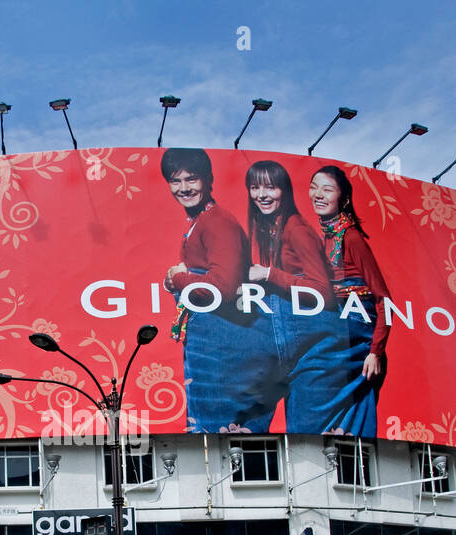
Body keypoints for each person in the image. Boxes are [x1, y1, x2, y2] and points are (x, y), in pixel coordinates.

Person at [240, 160, 351, 433]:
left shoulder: (296, 230)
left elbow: (322, 293)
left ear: (284, 190)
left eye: (270, 187)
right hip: (294, 333)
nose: (262, 195)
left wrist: (268, 275)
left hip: (316, 334)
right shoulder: (271, 228)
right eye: (255, 187)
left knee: (306, 435)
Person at [158, 148, 253, 433]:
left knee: (212, 432)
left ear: (208, 179)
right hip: (209, 341)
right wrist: (175, 279)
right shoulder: (201, 221)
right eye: (176, 181)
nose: (184, 188)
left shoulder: (219, 222)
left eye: (192, 179)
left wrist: (181, 279)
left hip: (220, 344)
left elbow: (223, 287)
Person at [310, 165, 391, 435]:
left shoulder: (352, 238)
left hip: (358, 337)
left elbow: (383, 301)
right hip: (341, 328)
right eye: (314, 186)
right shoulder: (325, 238)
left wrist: (375, 351)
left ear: (343, 200)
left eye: (327, 189)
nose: (318, 194)